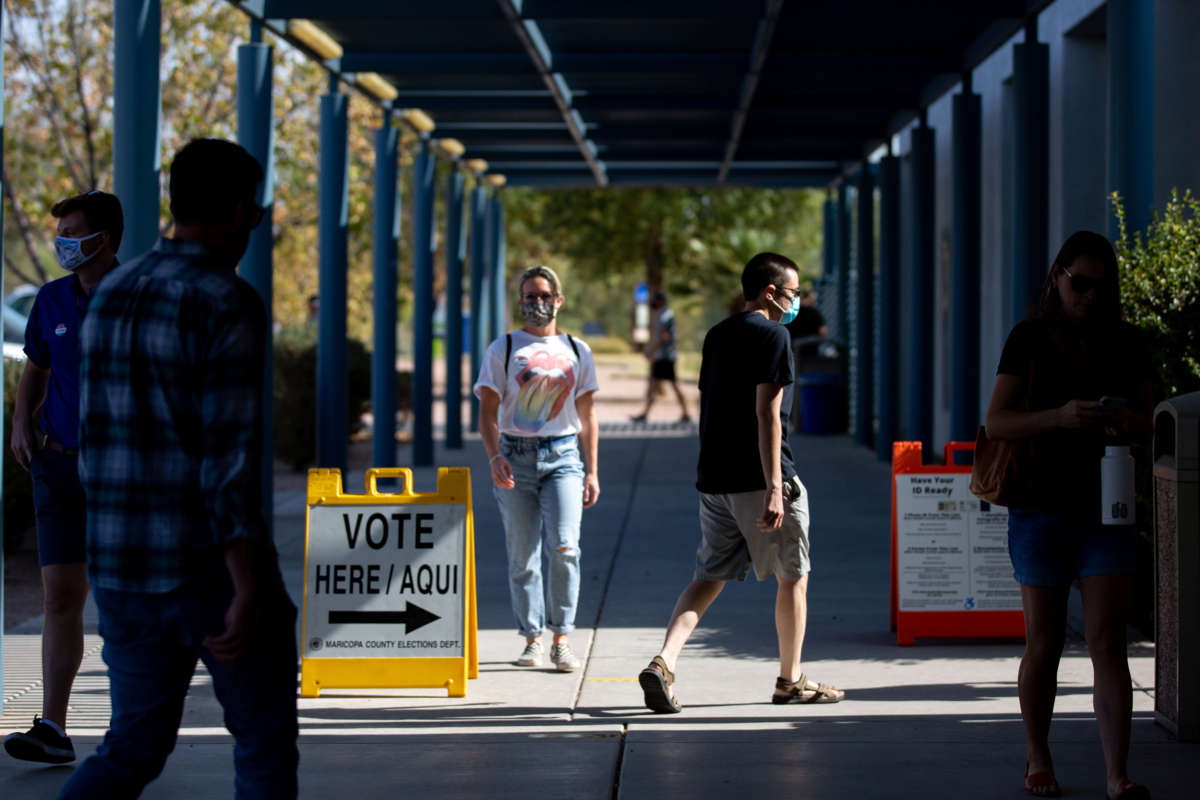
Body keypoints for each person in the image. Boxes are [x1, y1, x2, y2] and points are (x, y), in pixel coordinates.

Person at [58, 139, 298, 799]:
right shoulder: (227, 301)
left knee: (132, 747)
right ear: (236, 210)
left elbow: (93, 439)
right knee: (264, 740)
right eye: (254, 216)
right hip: (209, 571)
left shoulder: (111, 293)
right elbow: (228, 462)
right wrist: (248, 584)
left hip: (122, 569)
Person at [983, 231, 1152, 800]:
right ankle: (1037, 756)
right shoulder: (1029, 339)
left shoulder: (1127, 342)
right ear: (1057, 276)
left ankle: (1117, 773)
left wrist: (1121, 422)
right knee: (1045, 640)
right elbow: (998, 422)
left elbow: (1153, 419)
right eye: (1079, 283)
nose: (1088, 297)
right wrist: (1059, 417)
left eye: (1100, 289)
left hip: (1108, 506)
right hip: (1039, 505)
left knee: (1108, 640)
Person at [638, 252, 844, 713]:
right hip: (760, 477)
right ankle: (789, 681)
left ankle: (664, 661)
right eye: (791, 294)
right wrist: (775, 485)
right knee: (794, 576)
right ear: (770, 292)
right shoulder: (774, 336)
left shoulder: (717, 333)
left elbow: (711, 403)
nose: (795, 303)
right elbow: (767, 415)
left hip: (715, 480)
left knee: (708, 576)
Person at [4, 191, 123, 765]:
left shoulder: (136, 297)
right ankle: (53, 725)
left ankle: (133, 723)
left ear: (104, 239)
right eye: (61, 233)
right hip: (56, 464)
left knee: (124, 598)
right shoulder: (52, 300)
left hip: (121, 475)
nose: (63, 244)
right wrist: (20, 423)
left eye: (73, 233)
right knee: (59, 597)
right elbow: (36, 369)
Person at [474, 265, 600, 672]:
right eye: (530, 296)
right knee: (523, 555)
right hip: (515, 457)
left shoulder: (578, 350)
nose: (538, 303)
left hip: (564, 458)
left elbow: (588, 414)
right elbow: (488, 411)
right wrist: (495, 456)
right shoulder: (504, 348)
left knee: (565, 546)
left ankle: (562, 637)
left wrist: (592, 470)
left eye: (545, 296)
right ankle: (532, 638)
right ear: (520, 301)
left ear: (559, 301)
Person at [631, 290, 689, 424]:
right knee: (655, 383)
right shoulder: (663, 315)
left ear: (660, 301)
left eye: (655, 300)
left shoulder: (665, 316)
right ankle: (645, 413)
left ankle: (685, 412)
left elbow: (664, 337)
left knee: (671, 385)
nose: (653, 302)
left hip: (665, 357)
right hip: (663, 357)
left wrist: (651, 351)